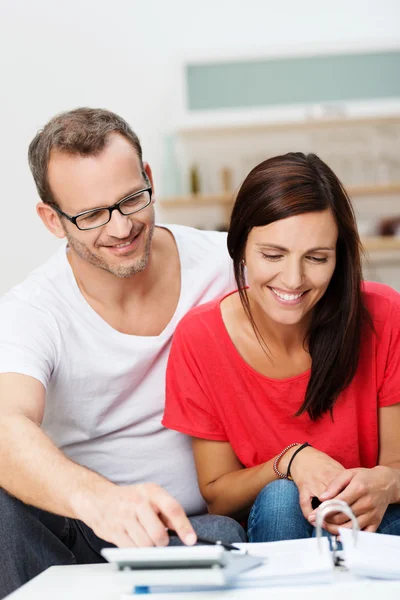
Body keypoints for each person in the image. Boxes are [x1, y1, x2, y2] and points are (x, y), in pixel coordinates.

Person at [0, 107, 245, 598]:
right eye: (90, 215)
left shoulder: (225, 264)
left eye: (132, 199)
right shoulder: (35, 309)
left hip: (192, 528)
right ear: (52, 220)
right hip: (77, 529)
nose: (120, 228)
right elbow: (6, 425)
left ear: (149, 178)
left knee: (223, 534)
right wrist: (102, 500)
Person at [163, 152, 400, 543]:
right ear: (239, 248)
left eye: (317, 258)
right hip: (277, 527)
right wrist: (289, 462)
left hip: (371, 527)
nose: (293, 279)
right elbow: (218, 497)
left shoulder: (384, 314)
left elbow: (395, 466)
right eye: (272, 255)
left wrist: (383, 484)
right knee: (281, 497)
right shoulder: (200, 337)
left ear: (339, 257)